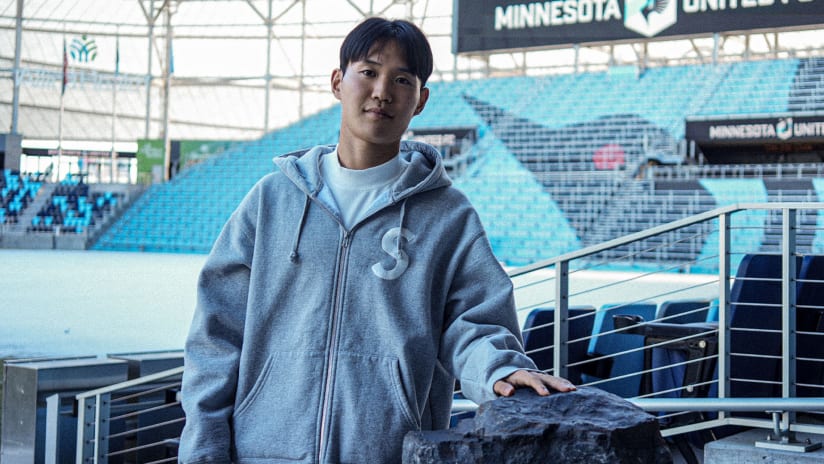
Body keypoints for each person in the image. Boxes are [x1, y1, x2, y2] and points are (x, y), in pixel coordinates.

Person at [179, 17, 575, 464]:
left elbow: (476, 322)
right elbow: (215, 339)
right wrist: (203, 449)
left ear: (420, 100)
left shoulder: (448, 216)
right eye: (368, 71)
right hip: (261, 452)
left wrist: (501, 368)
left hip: (387, 453)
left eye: (402, 79)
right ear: (337, 81)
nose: (382, 91)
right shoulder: (271, 201)